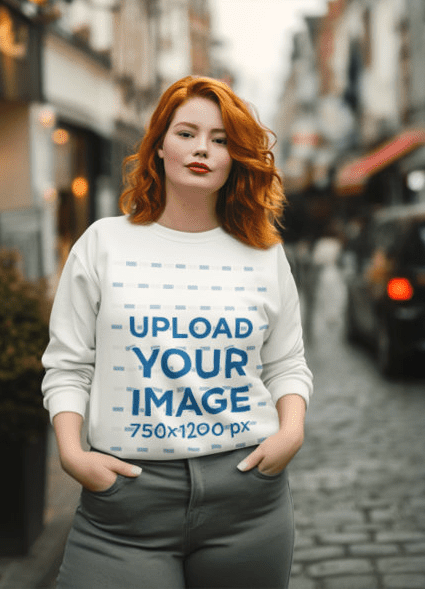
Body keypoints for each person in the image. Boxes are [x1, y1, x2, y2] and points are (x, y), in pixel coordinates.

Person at [40, 76, 314, 588]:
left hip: (247, 503)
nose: (202, 150)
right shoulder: (103, 244)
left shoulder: (263, 252)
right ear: (159, 145)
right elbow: (69, 364)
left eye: (220, 139)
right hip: (125, 509)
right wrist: (73, 454)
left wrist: (290, 433)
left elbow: (286, 362)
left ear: (235, 158)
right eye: (187, 133)